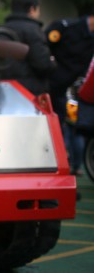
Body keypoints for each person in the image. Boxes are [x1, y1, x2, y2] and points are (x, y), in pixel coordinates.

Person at [46, 9, 94, 175]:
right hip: (50, 89)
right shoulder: (66, 27)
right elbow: (44, 47)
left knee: (75, 126)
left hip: (71, 92)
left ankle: (75, 165)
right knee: (54, 126)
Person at [0, 0, 56, 96]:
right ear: (32, 9)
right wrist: (52, 63)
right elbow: (42, 64)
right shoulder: (33, 31)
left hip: (5, 91)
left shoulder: (2, 30)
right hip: (29, 93)